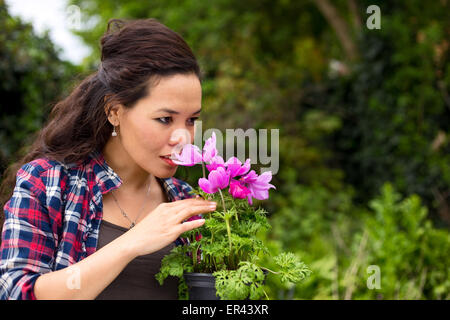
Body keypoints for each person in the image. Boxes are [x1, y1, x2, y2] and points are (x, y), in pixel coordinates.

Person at [0, 18, 216, 300]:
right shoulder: (49, 183)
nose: (183, 138)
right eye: (165, 119)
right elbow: (17, 292)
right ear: (114, 111)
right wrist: (130, 244)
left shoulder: (187, 202)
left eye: (192, 120)